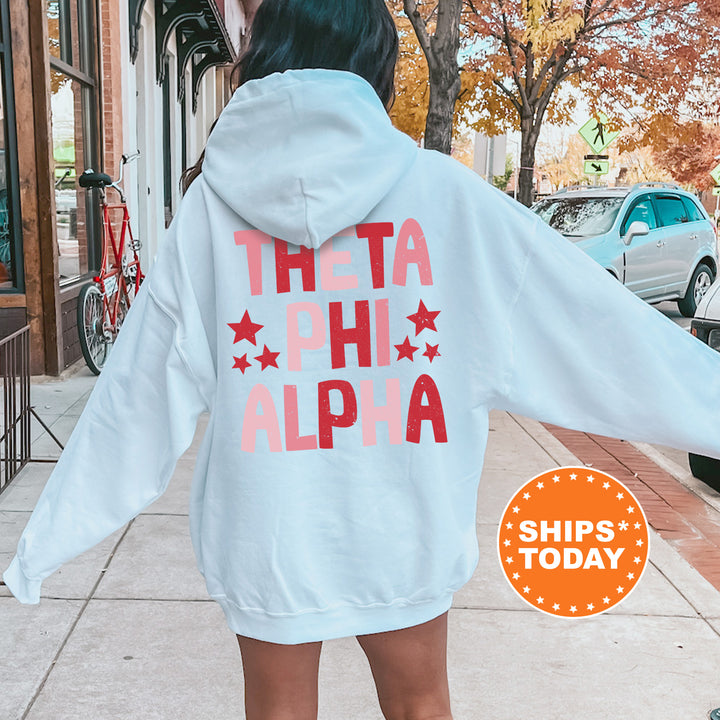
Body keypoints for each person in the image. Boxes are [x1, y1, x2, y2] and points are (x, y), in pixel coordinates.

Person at [4, 1, 720, 719]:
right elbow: (597, 330)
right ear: (375, 65)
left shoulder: (210, 210)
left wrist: (47, 540)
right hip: (401, 518)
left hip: (267, 525)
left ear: (265, 52)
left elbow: (137, 395)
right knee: (419, 707)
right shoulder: (445, 196)